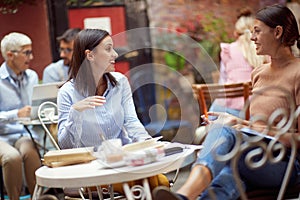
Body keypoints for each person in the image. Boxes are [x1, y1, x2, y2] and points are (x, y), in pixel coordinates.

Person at [153, 4, 300, 200]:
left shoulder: (297, 72)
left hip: (285, 165)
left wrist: (247, 128)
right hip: (250, 159)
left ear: (278, 32)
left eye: (257, 31)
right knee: (224, 181)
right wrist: (238, 122)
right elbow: (255, 126)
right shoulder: (258, 73)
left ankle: (183, 196)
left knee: (225, 138)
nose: (252, 38)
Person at [57, 29, 151, 150]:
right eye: (108, 49)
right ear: (90, 55)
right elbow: (66, 146)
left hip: (122, 155)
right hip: (90, 163)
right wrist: (75, 112)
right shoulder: (67, 92)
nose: (115, 54)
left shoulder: (120, 82)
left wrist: (147, 142)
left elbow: (131, 121)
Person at [0, 32, 41, 200]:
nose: (31, 57)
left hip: (24, 133)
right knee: (12, 157)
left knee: (30, 153)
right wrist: (15, 114)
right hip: (2, 135)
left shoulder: (32, 76)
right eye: (27, 53)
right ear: (10, 55)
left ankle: (36, 197)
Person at [209, 8, 267, 117]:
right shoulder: (265, 50)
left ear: (236, 33)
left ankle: (207, 128)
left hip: (232, 110)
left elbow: (223, 83)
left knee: (215, 110)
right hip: (259, 109)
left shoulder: (228, 50)